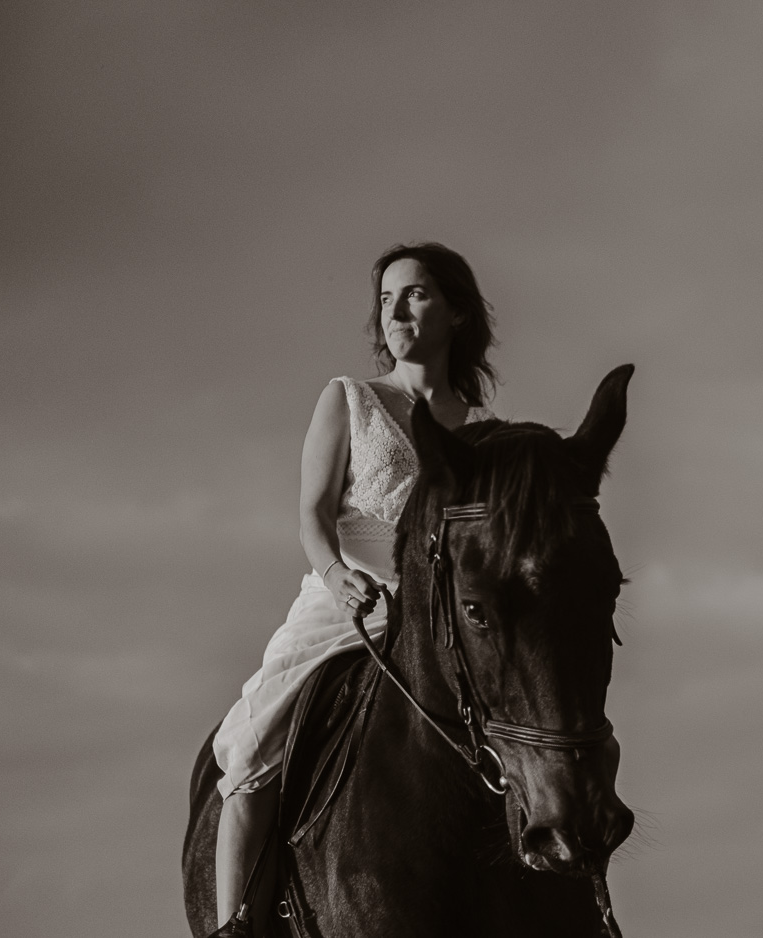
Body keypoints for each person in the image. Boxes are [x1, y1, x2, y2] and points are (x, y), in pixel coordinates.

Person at [209, 242, 497, 936]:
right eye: (387, 297)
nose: (395, 310)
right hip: (350, 600)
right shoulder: (350, 399)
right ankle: (236, 921)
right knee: (249, 755)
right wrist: (342, 582)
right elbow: (312, 514)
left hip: (440, 617)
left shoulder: (483, 434)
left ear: (456, 312)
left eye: (417, 294)